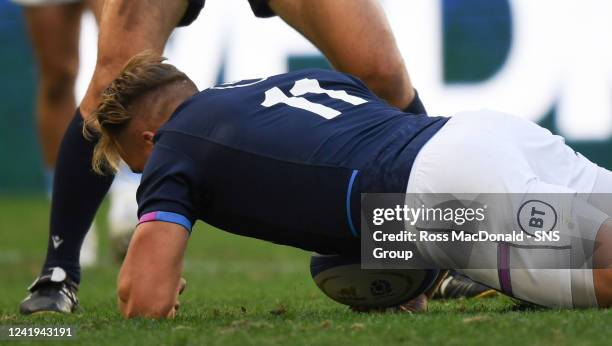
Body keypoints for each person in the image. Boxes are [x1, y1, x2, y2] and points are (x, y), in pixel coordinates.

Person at [19, 0, 491, 314]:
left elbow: (142, 302)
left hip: (493, 161)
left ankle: (443, 252)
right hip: (496, 152)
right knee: (111, 81)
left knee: (382, 71)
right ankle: (59, 272)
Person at [91, 54, 612, 318]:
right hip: (480, 132)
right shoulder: (281, 85)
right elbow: (354, 170)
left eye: (137, 163)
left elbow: (145, 302)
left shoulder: (175, 143)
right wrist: (407, 274)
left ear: (149, 136)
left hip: (437, 197)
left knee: (605, 274)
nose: (145, 175)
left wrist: (153, 274)